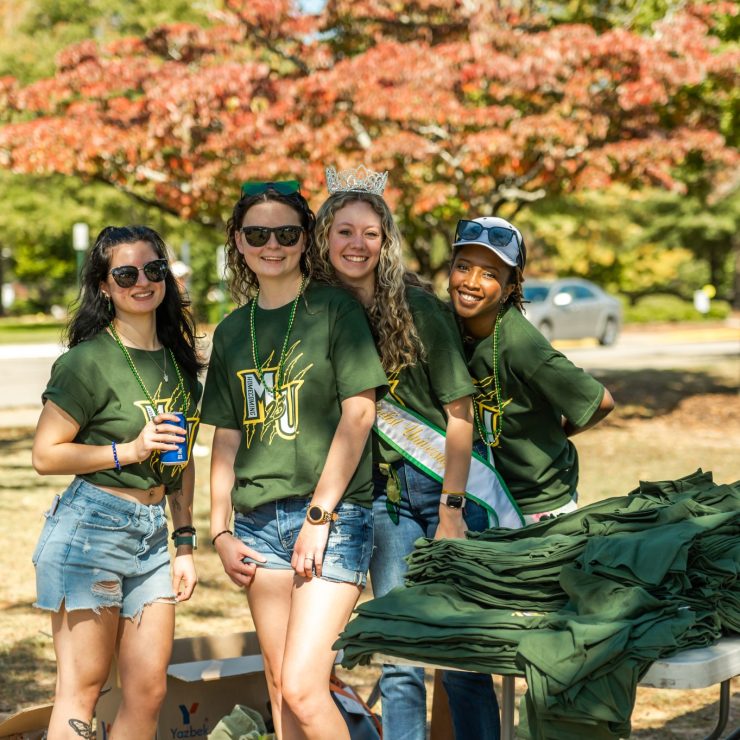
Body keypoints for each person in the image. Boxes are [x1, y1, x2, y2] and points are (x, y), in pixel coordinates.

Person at [314, 166, 507, 740]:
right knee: (399, 656)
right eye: (344, 232)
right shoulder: (319, 316)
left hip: (442, 488)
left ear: (386, 240)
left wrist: (451, 509)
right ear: (325, 238)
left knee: (459, 654)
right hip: (381, 501)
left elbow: (459, 413)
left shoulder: (421, 310)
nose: (357, 244)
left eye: (369, 233)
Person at [202, 180, 387, 740]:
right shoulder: (234, 330)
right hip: (256, 526)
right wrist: (219, 532)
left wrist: (319, 517)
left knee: (307, 688)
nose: (272, 244)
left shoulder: (335, 311)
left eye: (286, 232)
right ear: (238, 241)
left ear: (305, 239)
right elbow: (227, 439)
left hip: (330, 520)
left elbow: (359, 415)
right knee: (281, 688)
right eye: (258, 233)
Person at [31, 225, 202, 739]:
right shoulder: (87, 362)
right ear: (104, 286)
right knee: (83, 689)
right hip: (91, 532)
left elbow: (183, 457)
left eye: (154, 270)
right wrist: (125, 451)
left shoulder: (176, 361)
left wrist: (186, 540)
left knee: (148, 692)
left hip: (152, 536)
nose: (142, 282)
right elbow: (44, 454)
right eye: (125, 274)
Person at [448, 216, 615, 523]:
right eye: (463, 266)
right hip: (484, 495)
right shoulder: (448, 325)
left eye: (489, 274)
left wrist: (557, 435)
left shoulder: (522, 345)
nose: (471, 282)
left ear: (511, 286)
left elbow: (600, 400)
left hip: (539, 500)